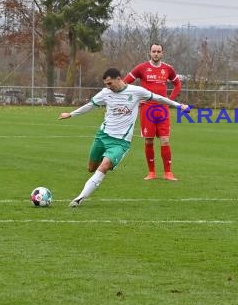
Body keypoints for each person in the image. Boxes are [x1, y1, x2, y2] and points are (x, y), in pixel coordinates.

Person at [59, 68, 189, 207]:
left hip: (120, 142)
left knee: (104, 166)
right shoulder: (105, 93)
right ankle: (103, 168)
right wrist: (71, 114)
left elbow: (158, 97)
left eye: (110, 83)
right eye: (106, 84)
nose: (108, 87)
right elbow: (90, 105)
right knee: (91, 168)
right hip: (102, 136)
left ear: (119, 79)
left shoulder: (136, 91)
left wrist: (178, 105)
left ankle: (79, 199)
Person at [123, 43, 182, 181]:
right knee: (149, 141)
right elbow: (125, 83)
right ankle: (151, 172)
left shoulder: (168, 69)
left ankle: (168, 173)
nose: (156, 54)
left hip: (162, 109)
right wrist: (135, 100)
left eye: (158, 51)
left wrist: (169, 100)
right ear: (150, 53)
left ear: (162, 53)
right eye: (154, 51)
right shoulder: (142, 68)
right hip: (147, 108)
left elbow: (178, 84)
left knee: (165, 140)